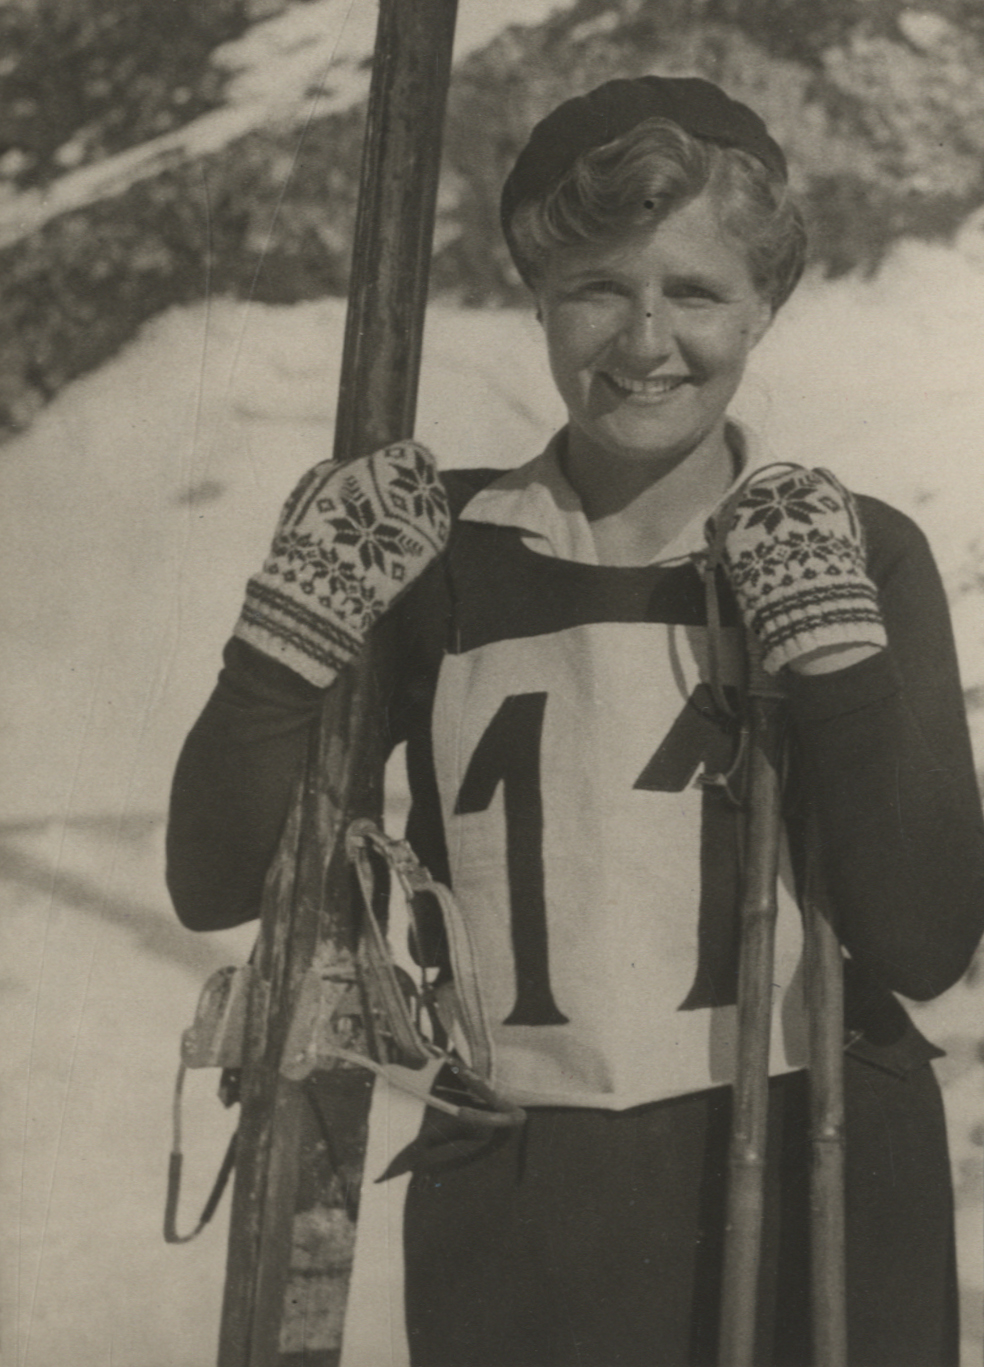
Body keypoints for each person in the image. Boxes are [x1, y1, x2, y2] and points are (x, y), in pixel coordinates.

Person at [166, 76, 984, 1366]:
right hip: (528, 1201)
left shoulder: (855, 547)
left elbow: (925, 937)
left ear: (766, 304)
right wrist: (287, 642)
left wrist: (834, 659)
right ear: (540, 301)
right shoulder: (425, 551)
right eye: (599, 288)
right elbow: (216, 878)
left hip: (816, 1178)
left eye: (697, 292)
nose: (645, 339)